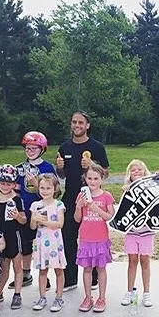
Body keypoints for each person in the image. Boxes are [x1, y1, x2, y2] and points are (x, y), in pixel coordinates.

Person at [56, 111, 110, 292]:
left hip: (92, 199)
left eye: (81, 123)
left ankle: (94, 279)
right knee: (68, 239)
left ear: (87, 126)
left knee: (92, 238)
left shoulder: (96, 147)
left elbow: (106, 172)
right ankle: (70, 279)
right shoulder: (64, 147)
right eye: (74, 122)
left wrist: (93, 165)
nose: (77, 125)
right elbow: (62, 175)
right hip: (71, 198)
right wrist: (60, 168)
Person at [10, 131, 56, 290]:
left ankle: (45, 275)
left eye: (34, 148)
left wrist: (36, 184)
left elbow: (56, 193)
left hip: (43, 212)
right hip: (24, 211)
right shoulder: (19, 168)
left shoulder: (47, 167)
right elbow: (14, 190)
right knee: (25, 244)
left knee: (43, 243)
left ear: (42, 149)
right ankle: (26, 273)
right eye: (27, 148)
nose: (30, 151)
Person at [74, 163, 115, 313]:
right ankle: (88, 297)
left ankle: (102, 298)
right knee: (86, 269)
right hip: (85, 239)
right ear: (85, 179)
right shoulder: (81, 195)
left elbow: (110, 216)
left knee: (101, 269)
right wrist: (79, 207)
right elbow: (77, 219)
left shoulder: (106, 196)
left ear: (102, 179)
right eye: (89, 178)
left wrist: (95, 208)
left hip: (101, 239)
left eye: (96, 178)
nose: (92, 181)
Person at [0, 164, 27, 309]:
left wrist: (17, 216)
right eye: (2, 183)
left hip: (14, 236)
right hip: (0, 238)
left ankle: (17, 294)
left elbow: (24, 220)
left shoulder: (17, 200)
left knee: (18, 267)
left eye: (9, 183)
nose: (5, 186)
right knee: (4, 268)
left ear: (14, 184)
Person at [120, 159, 155, 307]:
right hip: (132, 232)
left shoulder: (153, 188)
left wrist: (158, 179)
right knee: (132, 261)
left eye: (140, 169)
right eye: (133, 170)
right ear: (129, 174)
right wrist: (126, 192)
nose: (137, 172)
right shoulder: (126, 190)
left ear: (145, 171)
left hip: (147, 232)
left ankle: (147, 293)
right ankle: (130, 291)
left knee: (145, 262)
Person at [30, 174, 67, 312]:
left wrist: (44, 221)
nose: (45, 191)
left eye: (48, 188)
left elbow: (59, 224)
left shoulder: (58, 205)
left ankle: (59, 298)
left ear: (55, 189)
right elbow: (33, 227)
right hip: (41, 242)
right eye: (42, 188)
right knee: (42, 271)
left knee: (59, 270)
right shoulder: (36, 205)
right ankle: (42, 297)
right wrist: (34, 219)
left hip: (55, 242)